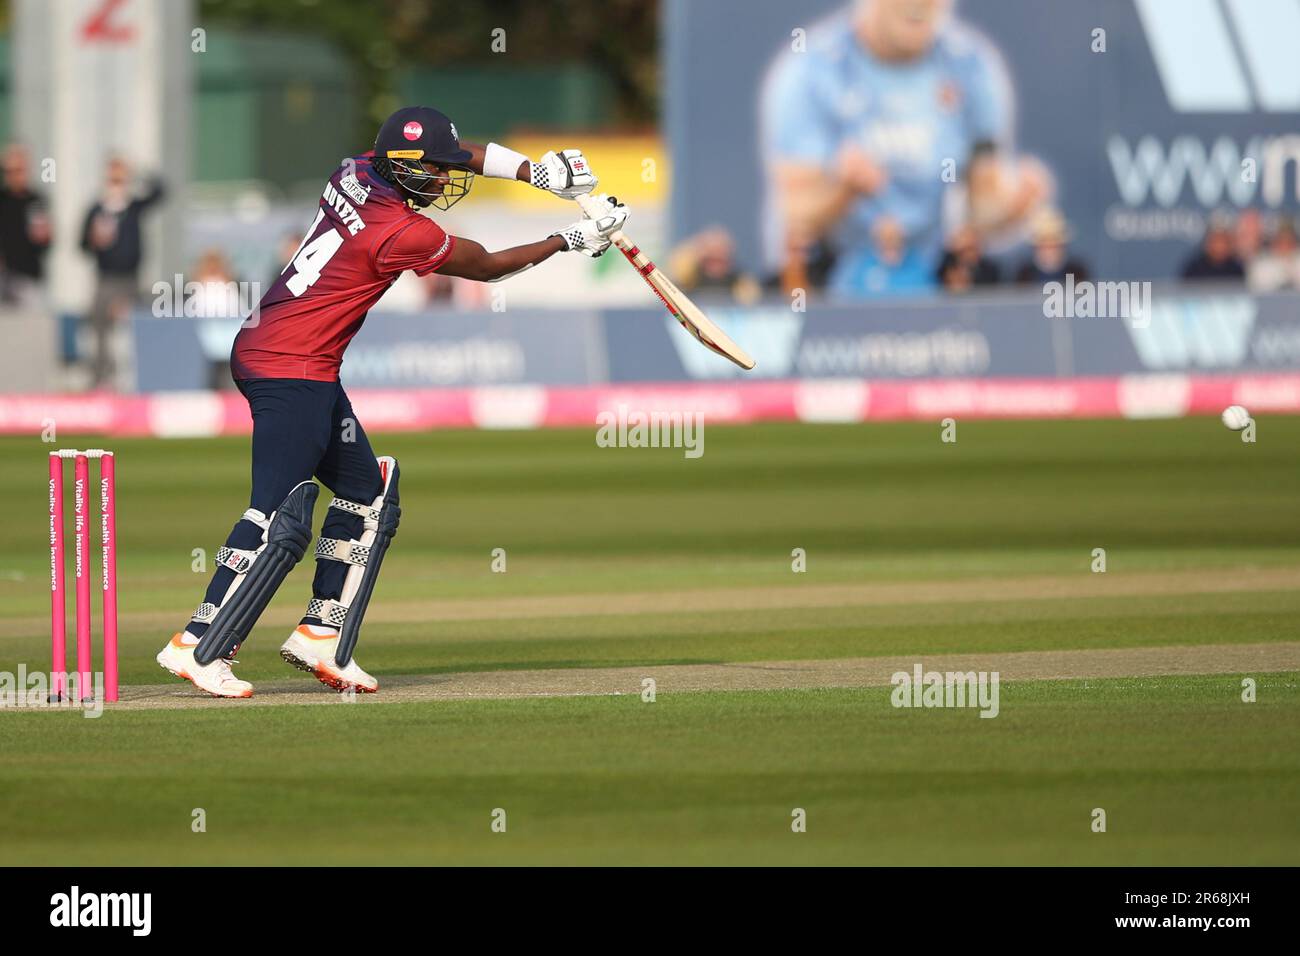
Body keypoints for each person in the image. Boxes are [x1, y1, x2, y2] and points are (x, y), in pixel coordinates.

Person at [155, 106, 626, 698]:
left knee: (365, 495)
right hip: (290, 368)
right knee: (275, 515)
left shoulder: (353, 169)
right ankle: (199, 644)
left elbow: (461, 154)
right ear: (404, 170)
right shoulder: (403, 232)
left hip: (288, 355)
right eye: (434, 173)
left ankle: (320, 633)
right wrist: (570, 238)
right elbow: (484, 267)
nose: (444, 181)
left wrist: (541, 174)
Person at [760, 0, 1027, 298]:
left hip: (932, 286)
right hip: (839, 287)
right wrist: (845, 191)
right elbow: (795, 215)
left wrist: (1013, 208)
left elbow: (983, 208)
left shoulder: (971, 67)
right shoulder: (811, 71)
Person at [79, 157, 165, 387]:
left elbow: (161, 192)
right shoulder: (96, 209)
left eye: (121, 179)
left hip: (131, 280)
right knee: (99, 329)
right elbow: (82, 245)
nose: (116, 184)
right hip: (106, 279)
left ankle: (135, 379)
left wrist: (139, 174)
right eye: (113, 179)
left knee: (136, 327)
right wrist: (94, 241)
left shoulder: (134, 207)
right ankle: (101, 378)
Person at [0, 144, 52, 305]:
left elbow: (45, 243)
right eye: (9, 171)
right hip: (3, 277)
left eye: (18, 170)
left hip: (28, 278)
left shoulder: (36, 200)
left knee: (29, 325)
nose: (14, 176)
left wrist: (45, 235)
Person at [1014, 208, 1089, 284]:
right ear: (1036, 248)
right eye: (1044, 244)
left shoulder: (1077, 273)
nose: (1049, 251)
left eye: (1054, 244)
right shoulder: (1024, 275)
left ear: (1063, 246)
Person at [1180, 213, 1245, 282]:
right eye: (1215, 239)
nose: (1219, 245)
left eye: (1223, 240)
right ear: (1208, 242)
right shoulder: (1194, 269)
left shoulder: (1236, 269)